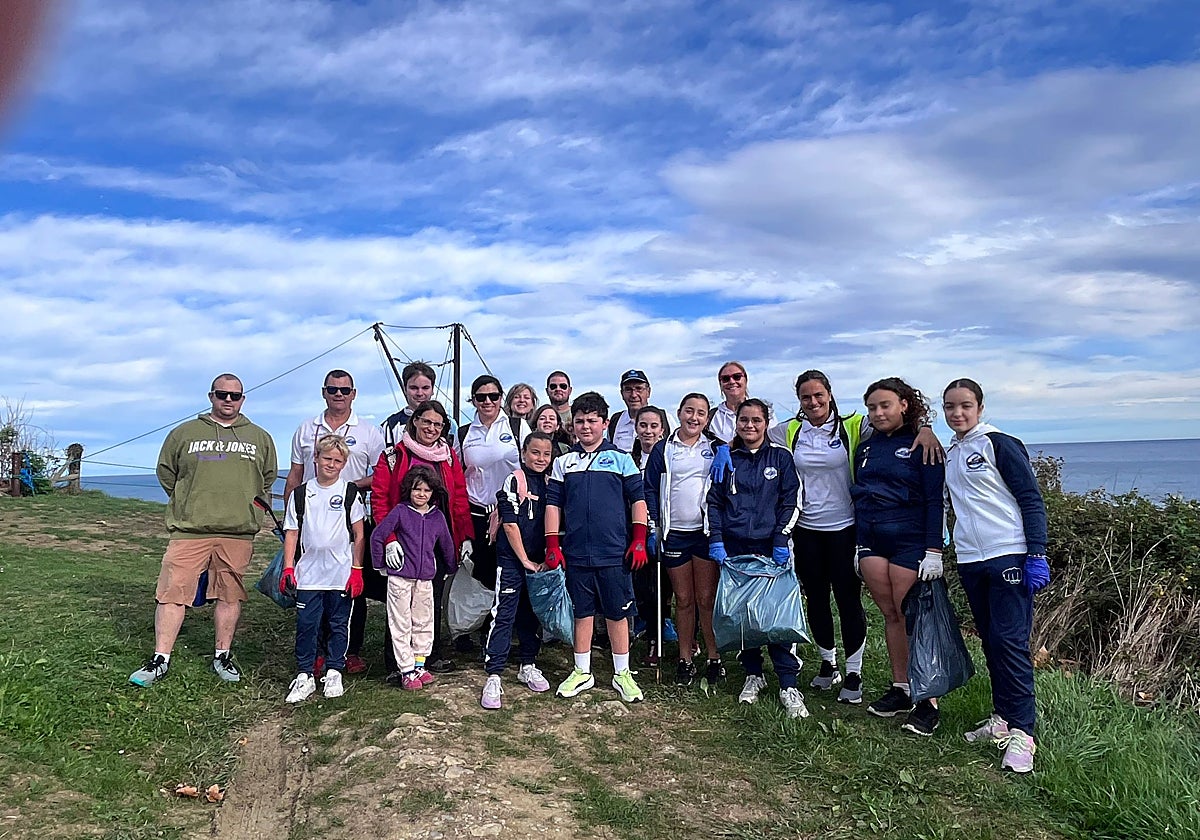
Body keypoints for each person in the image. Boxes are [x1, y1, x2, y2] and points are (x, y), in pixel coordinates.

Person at [768, 370, 944, 704]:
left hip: (846, 528)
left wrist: (926, 428)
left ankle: (854, 671)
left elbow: (894, 422)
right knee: (816, 600)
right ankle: (827, 662)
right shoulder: (790, 430)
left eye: (819, 395)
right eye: (806, 397)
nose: (813, 402)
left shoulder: (854, 425)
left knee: (849, 601)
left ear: (830, 394)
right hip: (807, 529)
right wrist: (723, 451)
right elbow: (755, 433)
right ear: (799, 401)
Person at [130, 374, 277, 687]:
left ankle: (222, 655)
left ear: (243, 399)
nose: (228, 400)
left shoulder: (259, 437)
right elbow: (167, 473)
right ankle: (160, 658)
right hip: (190, 531)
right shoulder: (185, 433)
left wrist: (244, 507)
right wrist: (189, 502)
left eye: (235, 396)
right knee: (172, 591)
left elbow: (265, 479)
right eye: (222, 394)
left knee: (229, 593)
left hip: (237, 532)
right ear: (211, 396)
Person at [943, 378, 1049, 772]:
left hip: (1008, 553)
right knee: (990, 641)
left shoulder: (999, 444)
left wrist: (1036, 552)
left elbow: (1030, 499)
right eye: (950, 407)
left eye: (965, 406)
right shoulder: (954, 451)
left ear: (980, 407)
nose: (958, 413)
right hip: (971, 557)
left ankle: (1024, 734)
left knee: (1010, 642)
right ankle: (1002, 719)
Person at [852, 377, 946, 735]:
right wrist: (859, 545)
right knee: (890, 615)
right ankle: (902, 688)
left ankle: (928, 701)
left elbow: (935, 499)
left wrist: (933, 550)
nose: (877, 413)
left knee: (915, 618)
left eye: (885, 405)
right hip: (873, 541)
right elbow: (860, 495)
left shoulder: (923, 443)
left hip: (911, 541)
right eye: (872, 407)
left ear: (904, 404)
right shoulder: (866, 445)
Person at [706, 398, 807, 718]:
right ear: (736, 423)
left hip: (772, 547)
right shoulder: (727, 460)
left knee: (777, 617)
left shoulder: (781, 457)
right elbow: (714, 503)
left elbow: (792, 499)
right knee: (744, 616)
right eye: (744, 420)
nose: (750, 426)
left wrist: (781, 538)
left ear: (766, 423)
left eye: (756, 421)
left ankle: (788, 684)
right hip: (735, 549)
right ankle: (753, 674)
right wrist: (717, 540)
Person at [546, 391, 649, 703]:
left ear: (605, 423)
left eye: (592, 420)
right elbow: (554, 504)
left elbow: (638, 500)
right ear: (572, 424)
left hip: (614, 552)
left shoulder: (621, 459)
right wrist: (552, 541)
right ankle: (582, 670)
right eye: (579, 421)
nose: (585, 426)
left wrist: (640, 539)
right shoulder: (563, 462)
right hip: (577, 552)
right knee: (582, 612)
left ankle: (622, 673)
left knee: (617, 615)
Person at [282, 369, 384, 676]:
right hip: (310, 518)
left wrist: (349, 488)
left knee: (350, 590)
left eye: (344, 390)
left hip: (348, 517)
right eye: (332, 389)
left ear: (354, 393)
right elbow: (296, 473)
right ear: (324, 392)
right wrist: (290, 514)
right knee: (312, 586)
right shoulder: (305, 429)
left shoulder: (369, 431)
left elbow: (380, 474)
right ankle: (315, 653)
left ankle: (349, 652)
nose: (338, 394)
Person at [372, 400, 473, 677]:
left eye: (438, 424)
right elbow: (380, 500)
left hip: (437, 541)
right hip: (402, 543)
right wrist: (389, 538)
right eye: (426, 421)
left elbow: (459, 498)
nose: (431, 428)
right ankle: (396, 664)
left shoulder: (449, 457)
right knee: (400, 604)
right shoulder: (393, 456)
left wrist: (463, 536)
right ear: (414, 420)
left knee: (430, 602)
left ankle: (429, 657)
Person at [644, 393, 724, 687]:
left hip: (704, 534)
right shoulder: (664, 448)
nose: (694, 417)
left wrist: (726, 450)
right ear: (678, 412)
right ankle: (685, 658)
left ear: (706, 418)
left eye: (701, 413)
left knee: (706, 598)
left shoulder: (714, 446)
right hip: (674, 532)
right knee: (684, 599)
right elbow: (650, 487)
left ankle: (714, 657)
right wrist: (654, 526)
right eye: (689, 411)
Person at [280, 435, 366, 703]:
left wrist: (357, 569)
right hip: (309, 575)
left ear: (344, 464)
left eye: (337, 460)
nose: (331, 464)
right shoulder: (301, 494)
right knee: (307, 624)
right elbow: (292, 532)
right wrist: (288, 568)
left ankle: (334, 670)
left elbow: (359, 534)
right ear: (315, 458)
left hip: (339, 574)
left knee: (338, 624)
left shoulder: (350, 492)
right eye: (326, 458)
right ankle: (305, 674)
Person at [480, 431, 556, 709]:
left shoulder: (551, 481)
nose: (541, 458)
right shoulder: (514, 479)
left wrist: (545, 560)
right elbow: (510, 524)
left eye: (546, 454)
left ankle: (528, 663)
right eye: (535, 453)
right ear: (524, 453)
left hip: (539, 560)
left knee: (531, 612)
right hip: (512, 560)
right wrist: (524, 560)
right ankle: (494, 673)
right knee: (505, 612)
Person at [370, 466, 456, 690]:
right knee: (401, 623)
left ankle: (419, 665)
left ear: (433, 493)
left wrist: (450, 566)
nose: (421, 494)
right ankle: (405, 669)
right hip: (400, 577)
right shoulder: (400, 511)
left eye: (427, 490)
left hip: (426, 578)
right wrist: (380, 564)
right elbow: (377, 536)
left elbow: (446, 544)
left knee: (424, 621)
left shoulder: (437, 516)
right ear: (408, 490)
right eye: (417, 489)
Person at [457, 375, 532, 613]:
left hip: (510, 512)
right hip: (477, 512)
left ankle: (516, 625)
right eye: (481, 397)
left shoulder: (517, 426)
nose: (487, 401)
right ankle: (482, 625)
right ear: (474, 400)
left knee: (512, 567)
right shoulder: (464, 433)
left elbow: (530, 464)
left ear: (501, 398)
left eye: (493, 396)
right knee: (483, 571)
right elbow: (458, 473)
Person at [630, 405, 673, 665]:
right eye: (643, 425)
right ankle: (650, 632)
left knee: (668, 584)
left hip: (667, 526)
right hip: (638, 530)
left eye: (653, 426)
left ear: (663, 429)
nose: (648, 431)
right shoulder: (630, 458)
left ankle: (672, 631)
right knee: (645, 585)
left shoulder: (669, 455)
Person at [381, 360, 457, 447]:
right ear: (405, 389)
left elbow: (456, 457)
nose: (420, 393)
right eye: (414, 388)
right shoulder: (390, 426)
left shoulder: (449, 424)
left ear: (432, 390)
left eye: (425, 388)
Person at [708, 361, 755, 444]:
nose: (732, 381)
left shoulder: (763, 412)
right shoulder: (710, 417)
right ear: (720, 384)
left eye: (737, 377)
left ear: (746, 380)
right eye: (725, 379)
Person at [606, 369, 651, 452]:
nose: (633, 395)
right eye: (628, 389)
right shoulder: (615, 421)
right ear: (622, 394)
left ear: (648, 392)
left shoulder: (664, 418)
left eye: (639, 389)